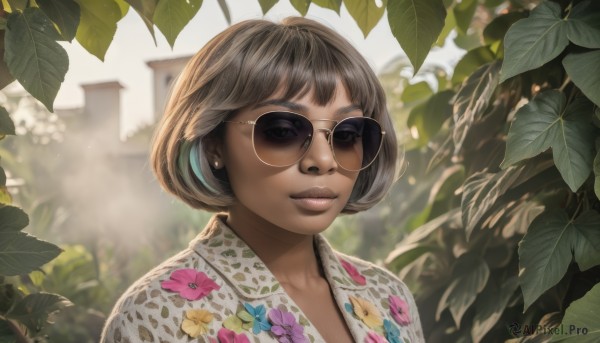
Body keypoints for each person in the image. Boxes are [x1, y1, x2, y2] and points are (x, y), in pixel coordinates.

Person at [101, 16, 424, 343]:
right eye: (283, 131)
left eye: (347, 134)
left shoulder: (390, 298)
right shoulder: (154, 316)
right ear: (214, 142)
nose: (323, 161)